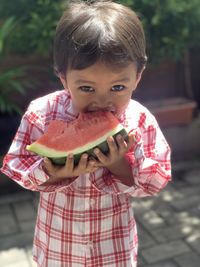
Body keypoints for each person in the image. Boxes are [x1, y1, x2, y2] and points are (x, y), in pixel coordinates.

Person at [1, 1, 171, 266]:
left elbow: (154, 183)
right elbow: (17, 166)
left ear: (137, 76)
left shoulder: (140, 120)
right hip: (57, 249)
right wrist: (50, 171)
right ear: (62, 77)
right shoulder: (41, 113)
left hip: (113, 251)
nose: (102, 101)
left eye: (117, 87)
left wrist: (119, 164)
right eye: (87, 88)